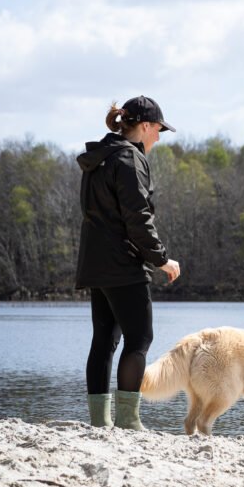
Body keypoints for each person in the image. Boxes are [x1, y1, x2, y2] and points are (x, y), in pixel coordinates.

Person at [75, 95, 180, 430]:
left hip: (95, 263)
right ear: (145, 126)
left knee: (103, 340)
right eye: (158, 130)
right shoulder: (129, 159)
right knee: (140, 338)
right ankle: (129, 420)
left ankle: (99, 422)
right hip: (123, 263)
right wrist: (162, 259)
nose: (159, 137)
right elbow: (138, 219)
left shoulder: (99, 157)